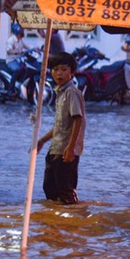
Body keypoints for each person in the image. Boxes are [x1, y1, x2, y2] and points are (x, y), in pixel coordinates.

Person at [37, 52, 86, 205]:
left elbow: (78, 119)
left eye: (64, 69)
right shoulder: (61, 92)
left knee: (66, 193)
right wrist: (42, 141)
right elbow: (59, 126)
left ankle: (72, 222)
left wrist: (71, 148)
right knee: (50, 190)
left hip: (65, 152)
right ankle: (55, 224)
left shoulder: (71, 92)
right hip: (55, 149)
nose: (59, 73)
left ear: (72, 72)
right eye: (56, 69)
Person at [6, 23, 34, 95]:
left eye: (21, 33)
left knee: (26, 69)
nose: (20, 34)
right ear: (16, 33)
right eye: (19, 33)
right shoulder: (11, 40)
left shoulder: (20, 40)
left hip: (19, 60)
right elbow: (8, 50)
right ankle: (10, 89)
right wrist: (17, 52)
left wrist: (35, 49)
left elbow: (27, 46)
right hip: (11, 60)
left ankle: (20, 86)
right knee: (17, 69)